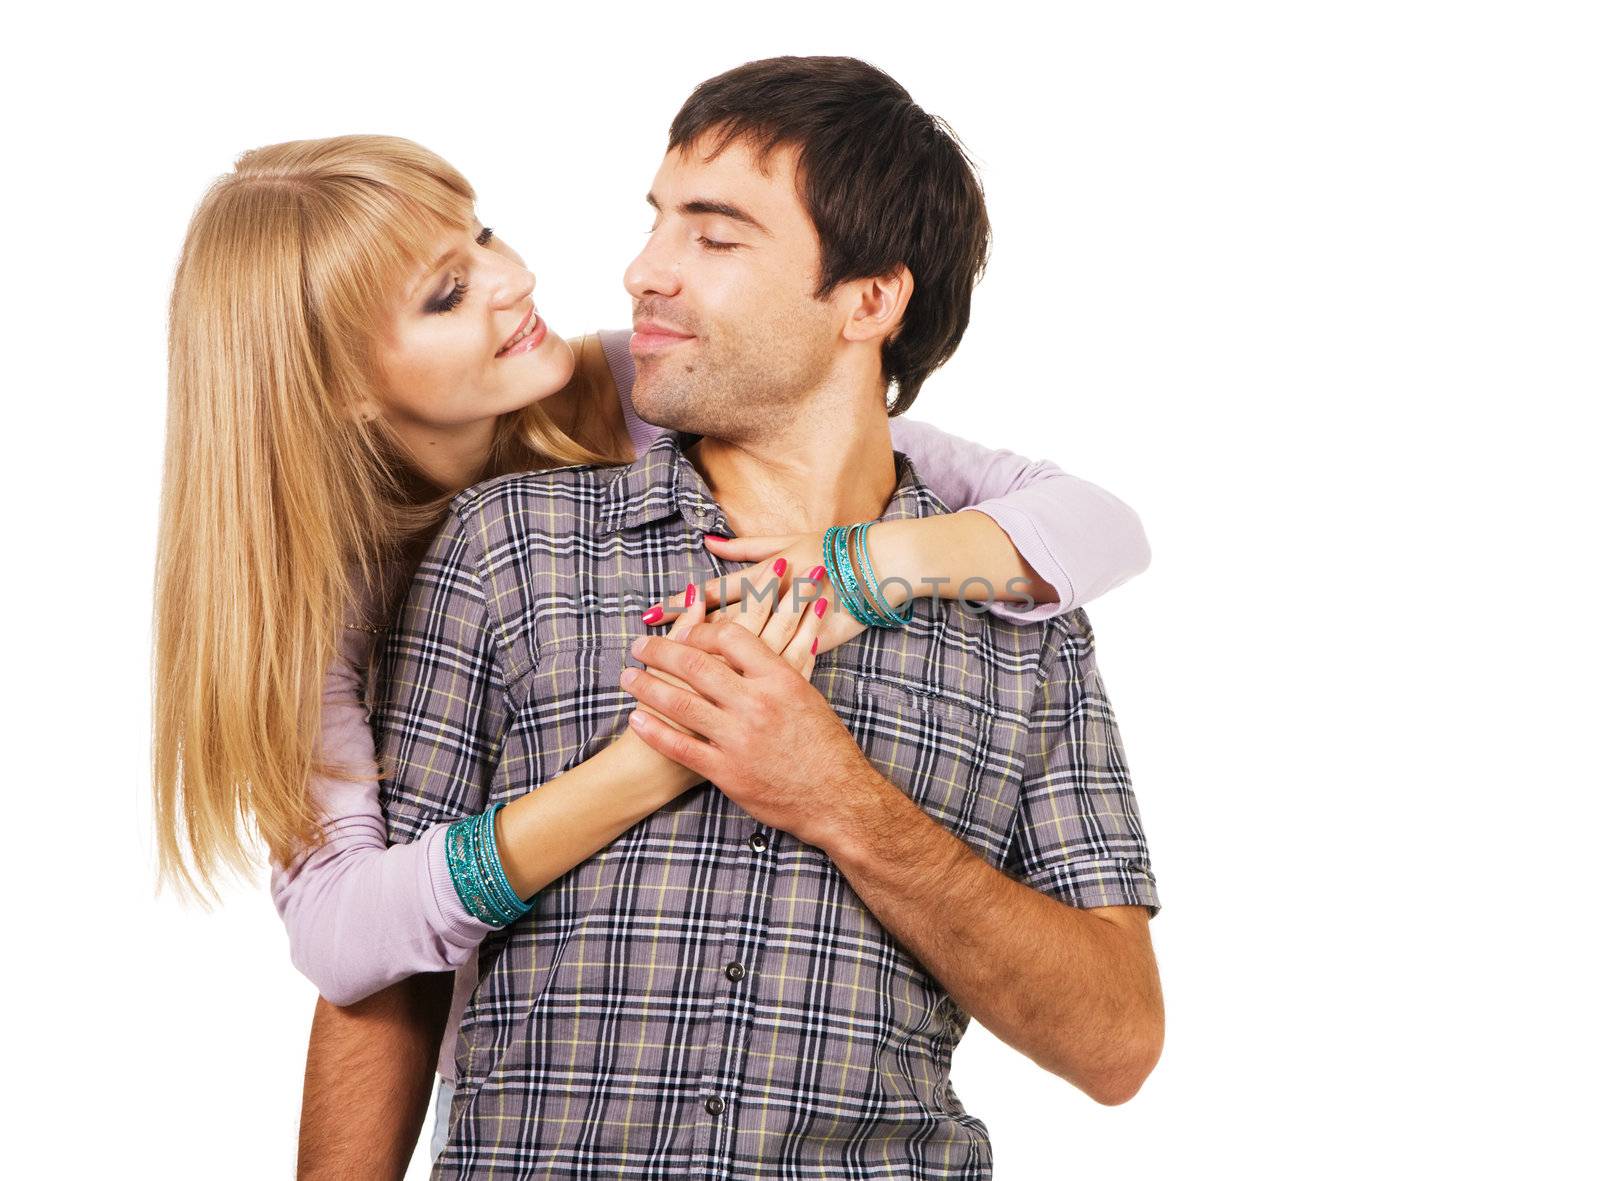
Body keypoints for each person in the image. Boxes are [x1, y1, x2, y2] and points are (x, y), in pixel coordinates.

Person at [150, 134, 1151, 1163]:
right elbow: (354, 942)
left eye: (483, 234)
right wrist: (646, 765)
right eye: (448, 294)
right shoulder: (385, 581)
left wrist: (857, 574)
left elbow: (1086, 520)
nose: (515, 277)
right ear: (344, 387)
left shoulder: (649, 384)